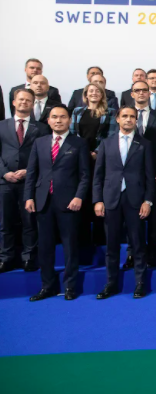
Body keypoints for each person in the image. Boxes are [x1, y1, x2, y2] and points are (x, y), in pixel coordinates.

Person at [24, 105, 90, 301]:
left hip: (69, 202)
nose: (58, 120)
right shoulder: (39, 142)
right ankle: (47, 287)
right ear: (48, 120)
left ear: (69, 120)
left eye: (62, 117)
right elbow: (32, 172)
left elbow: (85, 175)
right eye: (54, 117)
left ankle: (70, 286)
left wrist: (79, 196)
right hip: (43, 201)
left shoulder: (79, 143)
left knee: (70, 246)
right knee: (44, 247)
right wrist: (28, 197)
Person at [92, 107, 155, 299]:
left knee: (138, 244)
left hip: (136, 200)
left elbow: (150, 176)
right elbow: (98, 175)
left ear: (136, 120)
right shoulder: (106, 143)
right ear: (117, 119)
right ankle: (110, 284)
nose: (128, 119)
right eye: (125, 116)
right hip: (111, 199)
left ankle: (140, 284)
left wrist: (148, 201)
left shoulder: (145, 144)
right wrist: (97, 200)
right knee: (111, 245)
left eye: (132, 117)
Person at [0, 89, 48, 273]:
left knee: (29, 221)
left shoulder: (41, 128)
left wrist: (29, 171)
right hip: (5, 182)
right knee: (5, 222)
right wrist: (4, 173)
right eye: (21, 99)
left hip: (30, 182)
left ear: (32, 104)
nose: (24, 103)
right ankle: (6, 258)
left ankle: (28, 257)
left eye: (28, 100)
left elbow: (45, 155)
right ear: (14, 102)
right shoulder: (1, 125)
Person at [125, 80, 156, 267]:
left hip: (155, 170)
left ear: (149, 93)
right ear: (132, 94)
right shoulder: (126, 115)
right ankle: (132, 254)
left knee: (152, 216)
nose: (141, 93)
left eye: (145, 90)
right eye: (137, 90)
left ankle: (151, 254)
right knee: (131, 215)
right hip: (131, 171)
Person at [70, 83, 118, 246]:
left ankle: (100, 240)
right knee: (82, 193)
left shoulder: (110, 112)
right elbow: (72, 134)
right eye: (91, 91)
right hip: (79, 157)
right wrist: (81, 152)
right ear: (85, 95)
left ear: (102, 95)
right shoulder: (77, 112)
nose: (94, 93)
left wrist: (97, 152)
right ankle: (82, 242)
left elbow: (111, 135)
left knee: (98, 193)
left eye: (98, 91)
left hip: (100, 158)